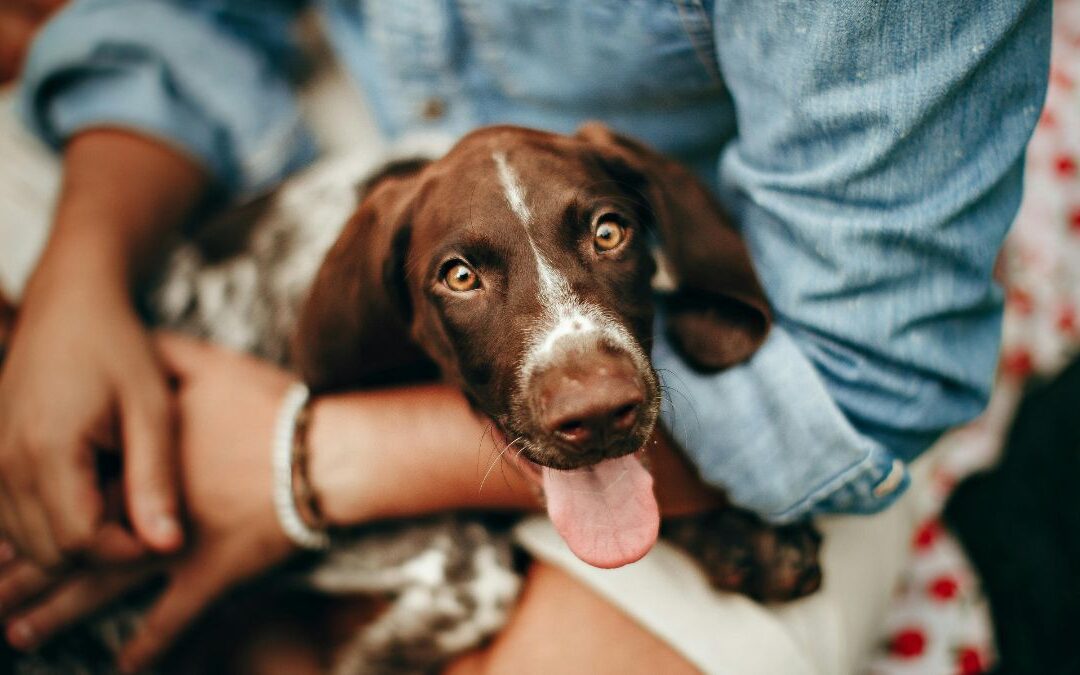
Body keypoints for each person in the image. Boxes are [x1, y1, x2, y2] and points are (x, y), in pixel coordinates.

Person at [0, 0, 1051, 672]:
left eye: (606, 235)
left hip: (791, 265)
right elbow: (189, 24)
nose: (579, 380)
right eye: (460, 278)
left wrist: (298, 465)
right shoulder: (364, 258)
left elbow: (862, 378)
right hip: (314, 145)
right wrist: (74, 288)